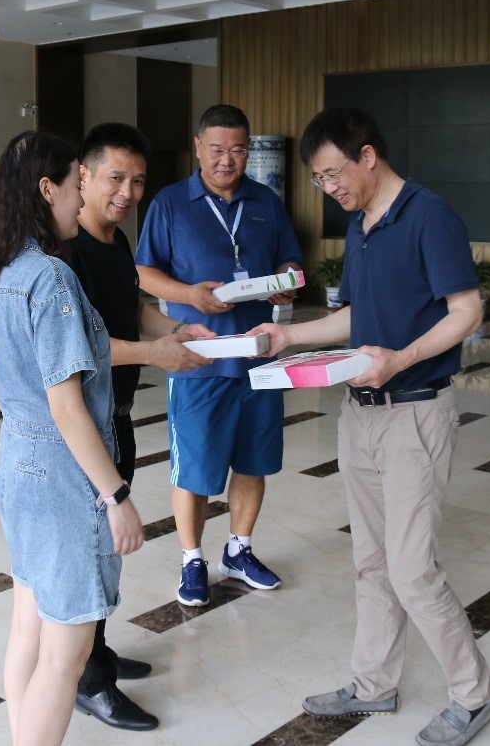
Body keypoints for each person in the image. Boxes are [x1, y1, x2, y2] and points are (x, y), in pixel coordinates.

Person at [249, 107, 490, 746]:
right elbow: (356, 316)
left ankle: (475, 694)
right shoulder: (360, 226)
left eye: (334, 173)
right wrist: (288, 336)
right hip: (360, 414)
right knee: (371, 561)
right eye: (318, 179)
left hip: (415, 413)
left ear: (368, 156)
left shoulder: (428, 215)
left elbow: (467, 310)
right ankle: (373, 684)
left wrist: (401, 358)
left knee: (412, 570)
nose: (329, 187)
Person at [0, 131, 145, 746]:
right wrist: (116, 496)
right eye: (78, 186)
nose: (82, 199)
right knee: (64, 657)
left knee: (27, 632)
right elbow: (68, 409)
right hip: (61, 483)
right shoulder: (50, 278)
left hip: (16, 466)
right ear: (47, 189)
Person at [68, 122, 217, 731]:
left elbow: (129, 308)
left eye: (137, 181)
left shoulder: (114, 240)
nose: (127, 192)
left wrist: (176, 331)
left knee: (106, 552)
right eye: (116, 178)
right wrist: (156, 354)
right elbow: (80, 344)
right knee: (88, 554)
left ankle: (96, 653)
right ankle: (88, 683)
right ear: (83, 175)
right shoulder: (66, 250)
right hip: (82, 428)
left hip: (118, 419)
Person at [134, 104, 302, 607]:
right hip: (199, 359)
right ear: (198, 147)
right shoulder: (169, 203)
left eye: (238, 150)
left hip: (260, 357)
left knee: (254, 461)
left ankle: (239, 549)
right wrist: (189, 295)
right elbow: (143, 273)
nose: (227, 160)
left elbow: (289, 259)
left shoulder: (266, 201)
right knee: (195, 467)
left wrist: (287, 281)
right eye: (217, 150)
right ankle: (192, 559)